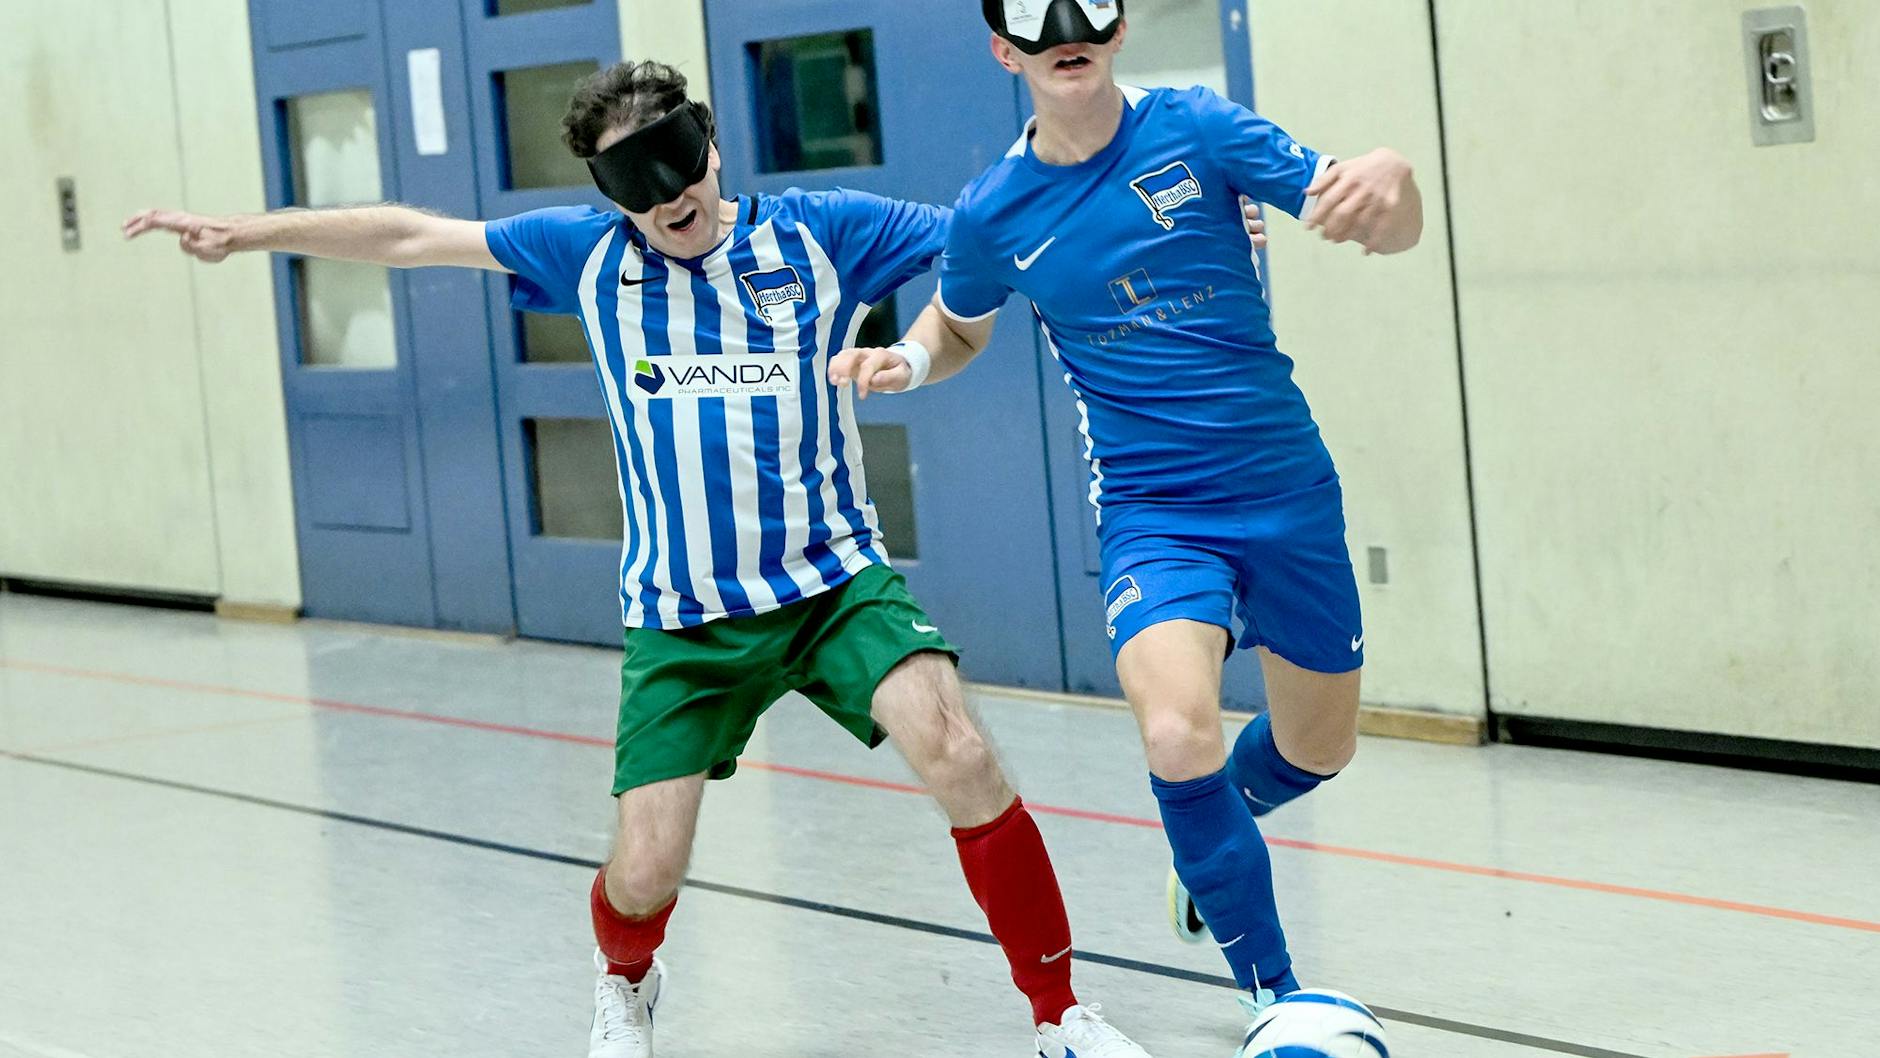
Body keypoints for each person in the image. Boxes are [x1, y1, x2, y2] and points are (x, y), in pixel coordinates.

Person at [123, 60, 1166, 1058]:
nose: (667, 196)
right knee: (644, 866)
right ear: (608, 194)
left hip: (831, 582)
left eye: (675, 159)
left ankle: (1059, 1011)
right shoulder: (585, 255)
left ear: (708, 143)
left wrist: (1174, 222)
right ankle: (624, 978)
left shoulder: (821, 234)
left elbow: (999, 235)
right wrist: (247, 233)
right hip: (681, 616)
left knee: (961, 752)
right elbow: (408, 234)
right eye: (633, 180)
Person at [829, 0, 1424, 1044]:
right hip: (1154, 512)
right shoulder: (991, 211)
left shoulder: (1200, 127)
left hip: (1286, 490)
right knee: (1174, 726)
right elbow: (960, 322)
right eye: (1034, 18)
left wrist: (1394, 178)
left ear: (1115, 30)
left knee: (1318, 746)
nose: (1065, 29)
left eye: (1087, 11)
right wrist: (908, 359)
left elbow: (1381, 217)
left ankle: (1210, 840)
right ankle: (1273, 993)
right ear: (1000, 48)